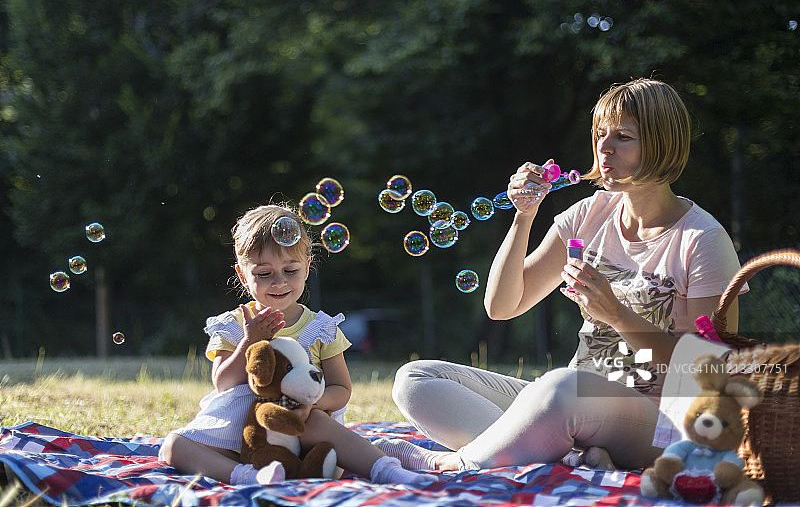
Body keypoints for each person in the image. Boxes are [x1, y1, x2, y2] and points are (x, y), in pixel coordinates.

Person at [378, 78, 745, 473]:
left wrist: (618, 315)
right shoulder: (589, 215)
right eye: (600, 134)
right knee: (416, 378)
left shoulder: (702, 239)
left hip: (664, 423)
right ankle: (572, 458)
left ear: (662, 144)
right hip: (572, 401)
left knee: (558, 388)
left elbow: (710, 369)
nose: (604, 148)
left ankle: (448, 465)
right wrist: (524, 215)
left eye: (623, 137)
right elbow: (502, 306)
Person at [159, 203, 431, 486]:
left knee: (317, 421)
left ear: (307, 268)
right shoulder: (233, 324)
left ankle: (386, 471)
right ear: (242, 275)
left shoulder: (320, 327)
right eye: (264, 274)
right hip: (243, 437)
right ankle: (248, 477)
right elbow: (223, 384)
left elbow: (342, 389)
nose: (279, 282)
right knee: (174, 446)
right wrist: (251, 340)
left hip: (306, 434)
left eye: (290, 270)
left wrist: (310, 404)